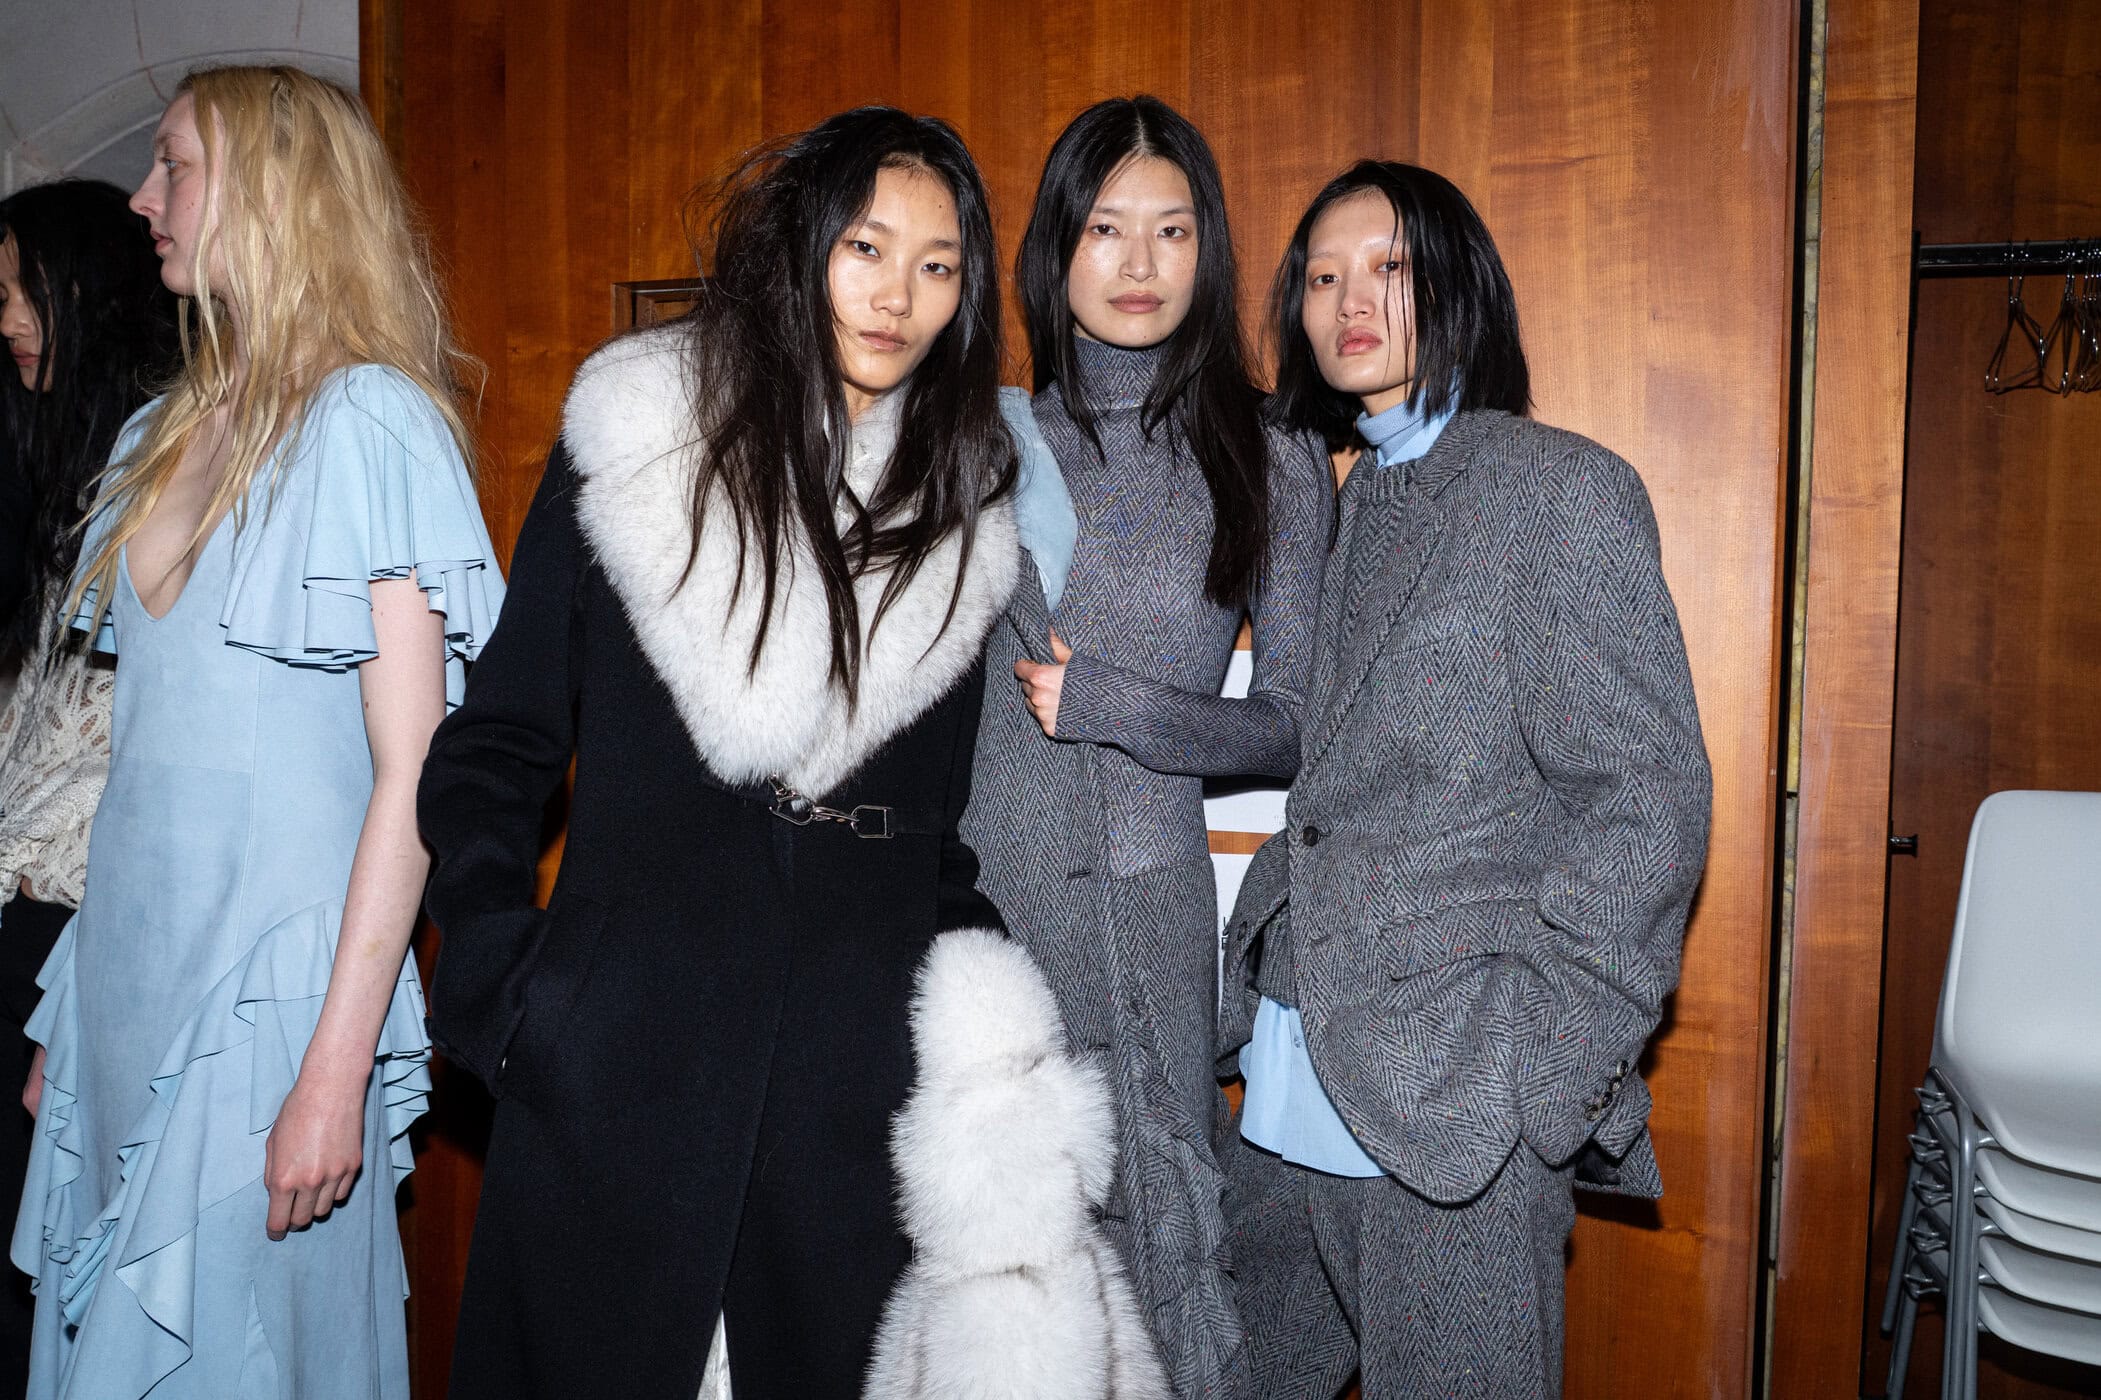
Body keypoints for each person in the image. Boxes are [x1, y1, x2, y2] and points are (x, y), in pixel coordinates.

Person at [418, 106, 1137, 1400]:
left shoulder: (963, 528)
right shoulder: (639, 439)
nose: (898, 295)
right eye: (867, 247)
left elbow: (929, 845)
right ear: (800, 244)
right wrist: (499, 983)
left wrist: (998, 1061)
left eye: (937, 265)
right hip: (616, 1061)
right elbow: (497, 744)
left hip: (844, 1104)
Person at [12, 67, 500, 1400]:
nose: (142, 197)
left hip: (272, 1000)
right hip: (129, 977)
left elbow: (415, 775)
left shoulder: (371, 423)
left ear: (275, 190)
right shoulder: (159, 429)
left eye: (174, 165)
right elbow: (140, 760)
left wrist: (337, 1067)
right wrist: (72, 1009)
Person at [1219, 159, 1712, 1399]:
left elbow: (1647, 800)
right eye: (1321, 276)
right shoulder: (1353, 496)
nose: (1350, 300)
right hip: (1290, 1080)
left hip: (1452, 1106)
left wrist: (1536, 1069)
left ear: (1460, 285)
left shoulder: (1557, 489)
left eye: (1389, 266)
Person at [960, 94, 1333, 1399]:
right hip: (974, 913)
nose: (1138, 261)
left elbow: (1296, 725)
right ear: (1054, 250)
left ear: (1206, 249)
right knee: (995, 1279)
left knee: (1152, 1260)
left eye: (1170, 230)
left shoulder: (1270, 449)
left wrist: (1120, 704)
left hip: (1148, 902)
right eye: (1105, 228)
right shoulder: (979, 436)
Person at [0, 178, 179, 1399]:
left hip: (83, 927)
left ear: (92, 293)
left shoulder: (166, 468)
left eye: (22, 288)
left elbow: (150, 758)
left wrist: (83, 991)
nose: (7, 316)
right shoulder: (62, 467)